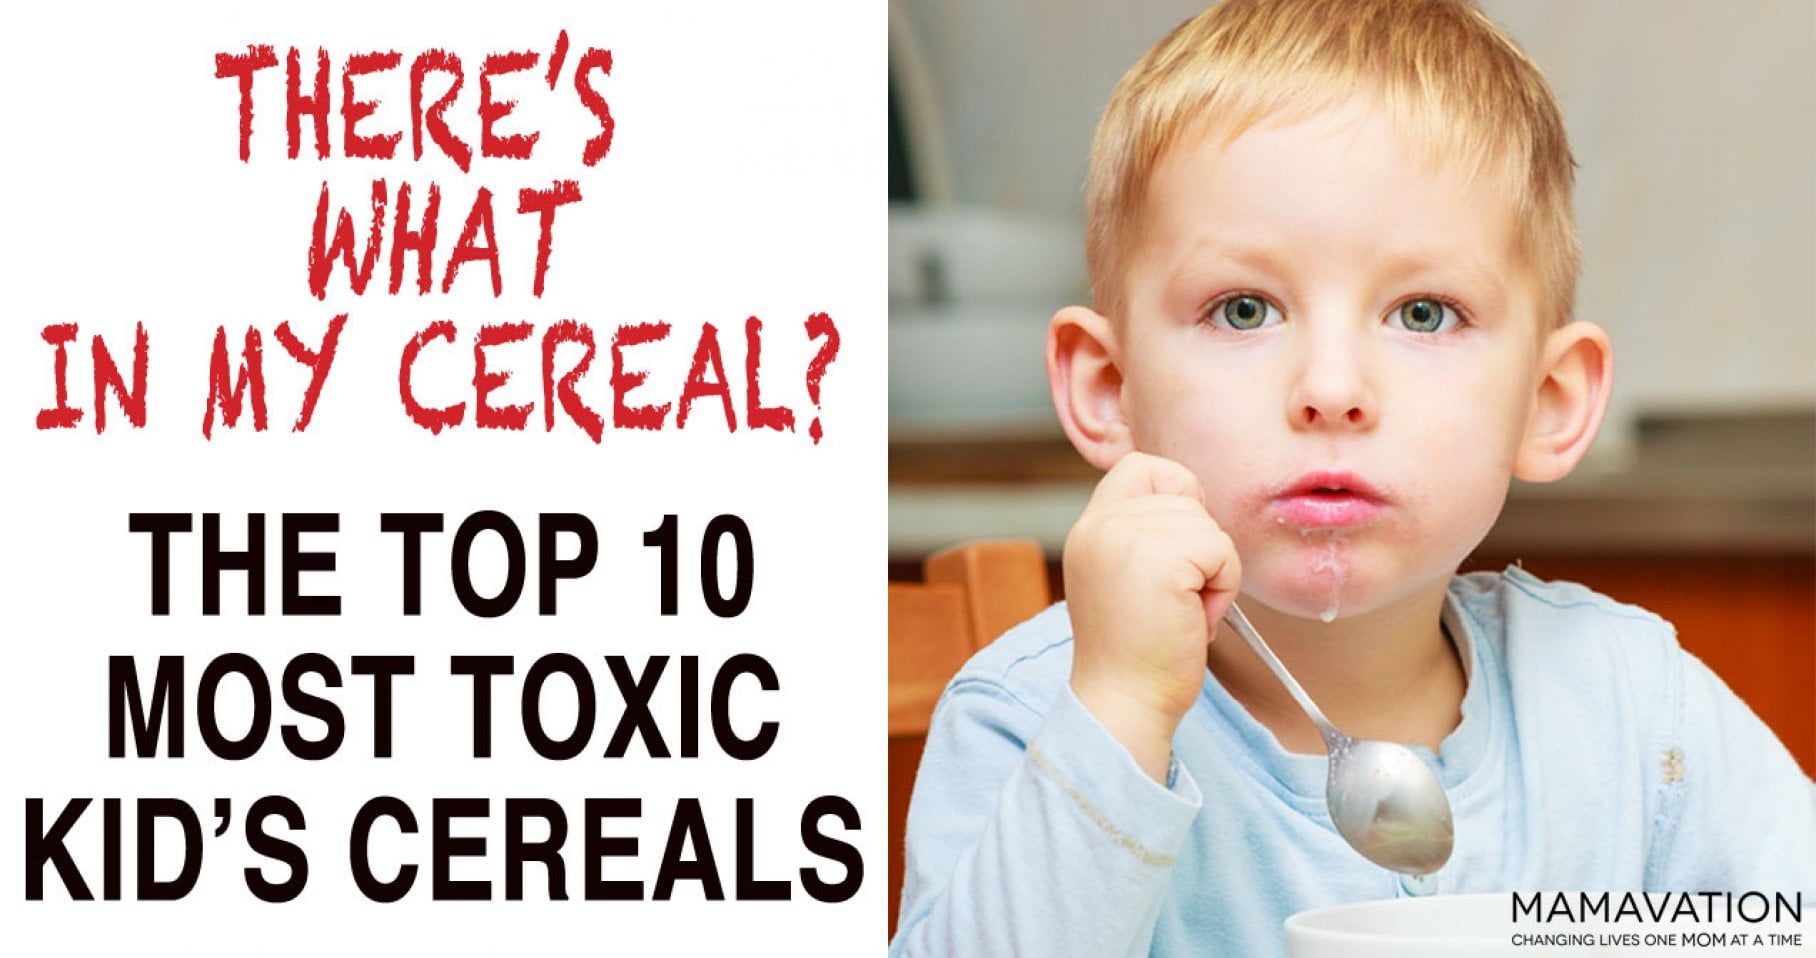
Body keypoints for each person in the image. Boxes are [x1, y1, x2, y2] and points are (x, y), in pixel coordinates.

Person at [888, 0, 1816, 954]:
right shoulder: (1034, 716)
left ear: (1547, 402)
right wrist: (1121, 710)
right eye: (1244, 309)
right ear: (1109, 388)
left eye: (1422, 314)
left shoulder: (1632, 711)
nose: (1331, 390)